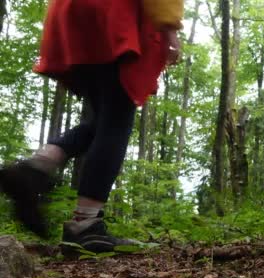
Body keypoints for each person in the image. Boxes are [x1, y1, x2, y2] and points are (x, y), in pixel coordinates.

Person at [0, 0, 184, 253]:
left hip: (69, 12)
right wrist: (169, 28)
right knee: (117, 119)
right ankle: (84, 223)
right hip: (112, 13)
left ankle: (35, 168)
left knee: (104, 119)